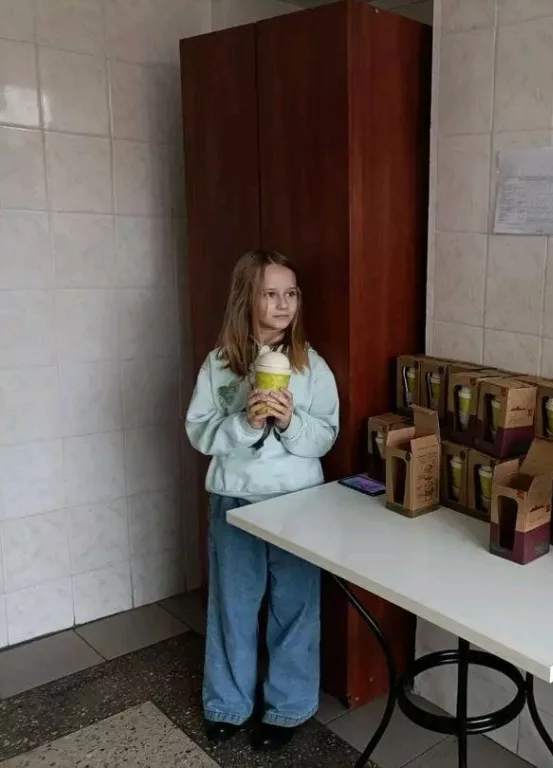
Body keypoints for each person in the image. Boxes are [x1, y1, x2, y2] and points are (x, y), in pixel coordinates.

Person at [185, 250, 339, 752]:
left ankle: (288, 705)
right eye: (270, 294)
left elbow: (326, 436)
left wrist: (291, 421)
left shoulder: (311, 366)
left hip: (297, 502)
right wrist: (244, 422)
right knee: (233, 604)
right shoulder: (220, 366)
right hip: (236, 500)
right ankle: (228, 703)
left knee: (296, 607)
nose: (282, 304)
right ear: (245, 300)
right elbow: (199, 433)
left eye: (290, 293)